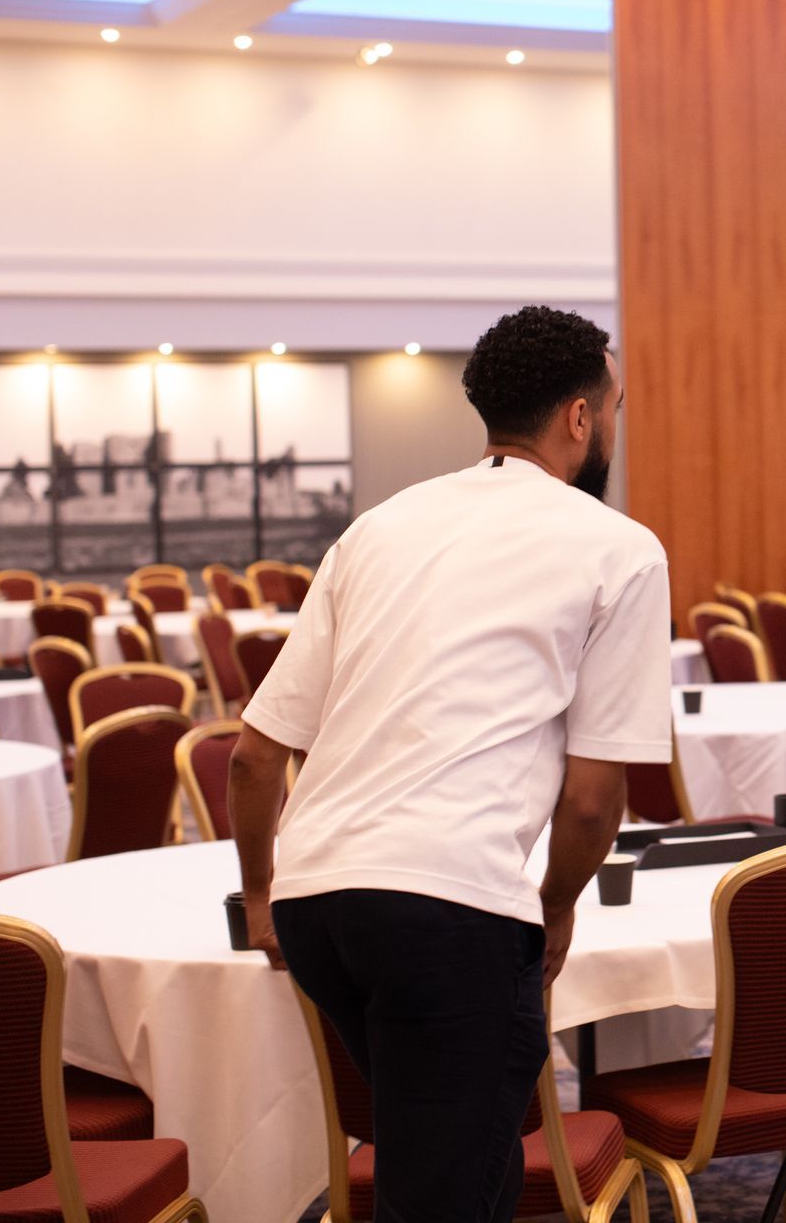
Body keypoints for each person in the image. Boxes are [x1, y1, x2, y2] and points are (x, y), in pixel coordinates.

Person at [227, 305, 672, 1222]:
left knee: (426, 1162)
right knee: (452, 1191)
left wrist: (264, 894)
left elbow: (253, 753)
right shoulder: (618, 548)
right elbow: (593, 800)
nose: (614, 426)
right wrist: (553, 910)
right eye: (615, 405)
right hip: (449, 909)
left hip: (320, 908)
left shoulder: (379, 528)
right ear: (581, 419)